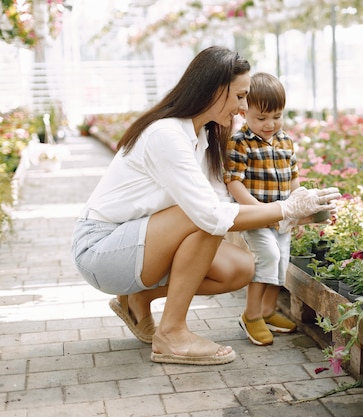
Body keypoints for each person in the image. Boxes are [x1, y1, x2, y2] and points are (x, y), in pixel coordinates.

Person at [70, 46, 340, 366]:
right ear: (214, 90)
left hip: (139, 244)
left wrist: (297, 216)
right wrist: (286, 208)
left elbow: (225, 206)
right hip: (101, 251)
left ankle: (138, 300)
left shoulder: (206, 137)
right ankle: (171, 334)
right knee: (204, 216)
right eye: (240, 96)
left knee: (239, 268)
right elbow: (212, 216)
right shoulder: (166, 134)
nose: (243, 108)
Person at [224, 72, 309, 346]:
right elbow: (234, 182)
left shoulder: (285, 141)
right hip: (256, 216)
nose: (270, 124)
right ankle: (251, 315)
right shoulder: (240, 142)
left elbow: (293, 176)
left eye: (277, 116)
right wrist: (260, 210)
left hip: (284, 217)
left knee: (281, 263)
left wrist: (299, 204)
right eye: (261, 118)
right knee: (267, 257)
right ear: (244, 112)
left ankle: (268, 311)